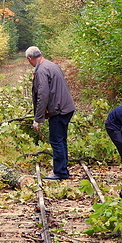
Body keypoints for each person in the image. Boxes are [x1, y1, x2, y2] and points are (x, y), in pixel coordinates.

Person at [26, 46, 75, 180]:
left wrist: (38, 118)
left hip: (59, 110)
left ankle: (60, 173)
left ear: (30, 59)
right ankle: (63, 168)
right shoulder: (52, 65)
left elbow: (43, 95)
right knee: (61, 139)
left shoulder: (41, 70)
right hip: (66, 107)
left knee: (56, 140)